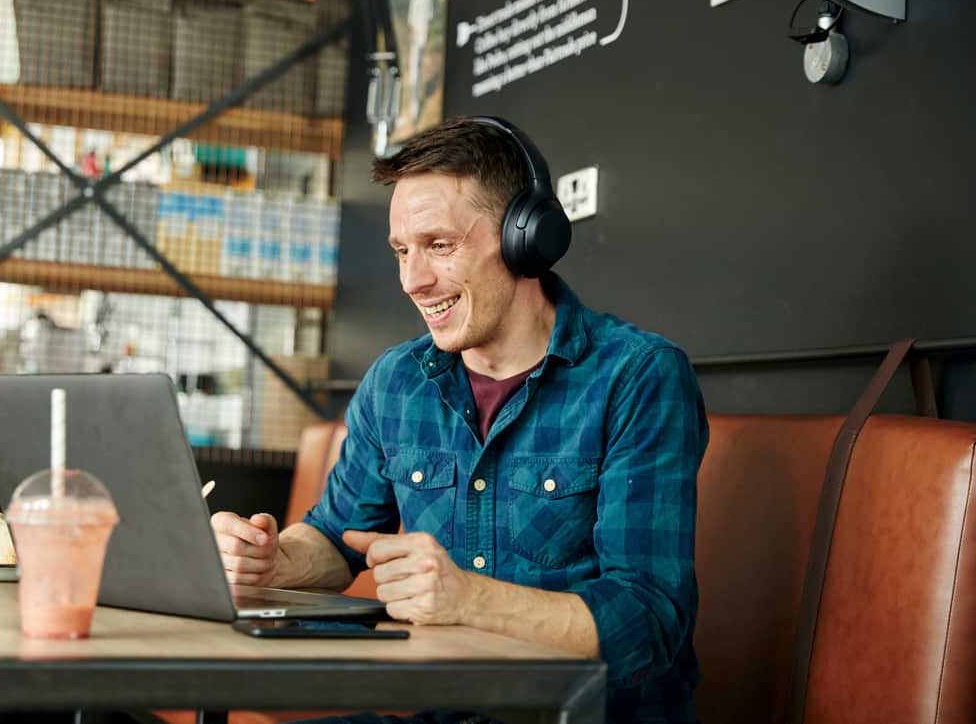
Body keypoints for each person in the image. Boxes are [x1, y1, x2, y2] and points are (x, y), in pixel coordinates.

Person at [211, 116, 708, 724]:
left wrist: (467, 599)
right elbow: (338, 537)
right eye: (401, 251)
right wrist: (274, 561)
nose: (414, 280)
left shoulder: (638, 376)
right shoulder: (396, 381)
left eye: (439, 245)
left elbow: (648, 622)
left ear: (527, 237)